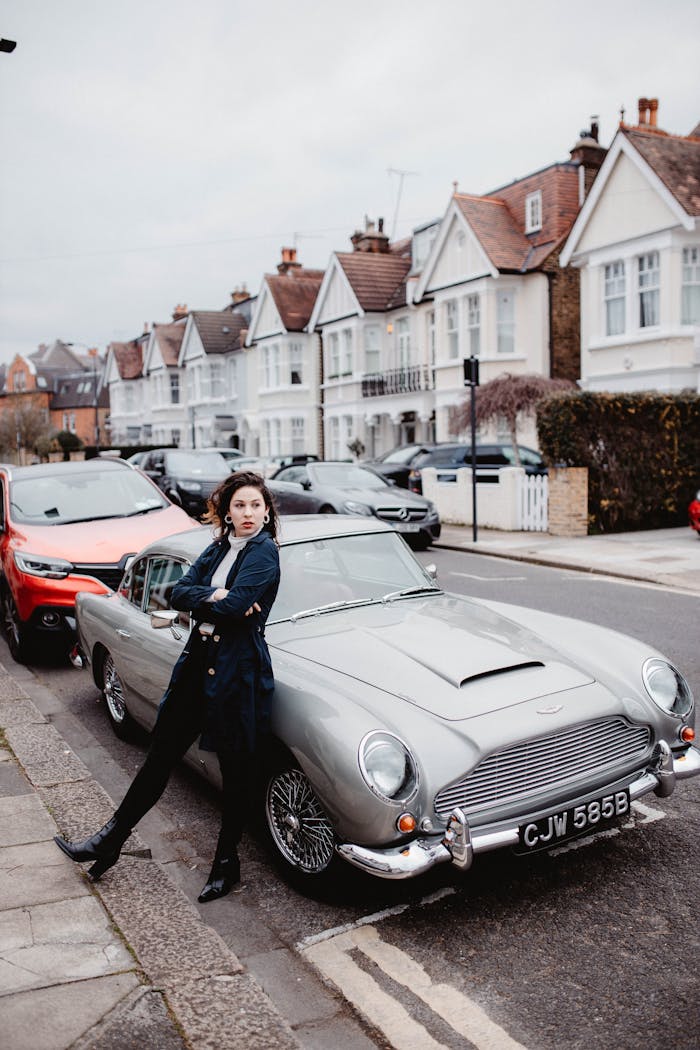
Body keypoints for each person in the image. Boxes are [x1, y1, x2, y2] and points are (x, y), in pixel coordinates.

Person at [54, 471, 281, 903]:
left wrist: (216, 599)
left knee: (235, 771)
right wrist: (218, 598)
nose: (248, 513)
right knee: (160, 756)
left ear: (267, 511)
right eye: (239, 505)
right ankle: (110, 840)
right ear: (227, 513)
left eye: (256, 505)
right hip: (198, 663)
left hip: (238, 670)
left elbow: (236, 605)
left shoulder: (264, 552)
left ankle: (225, 863)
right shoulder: (219, 547)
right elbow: (178, 594)